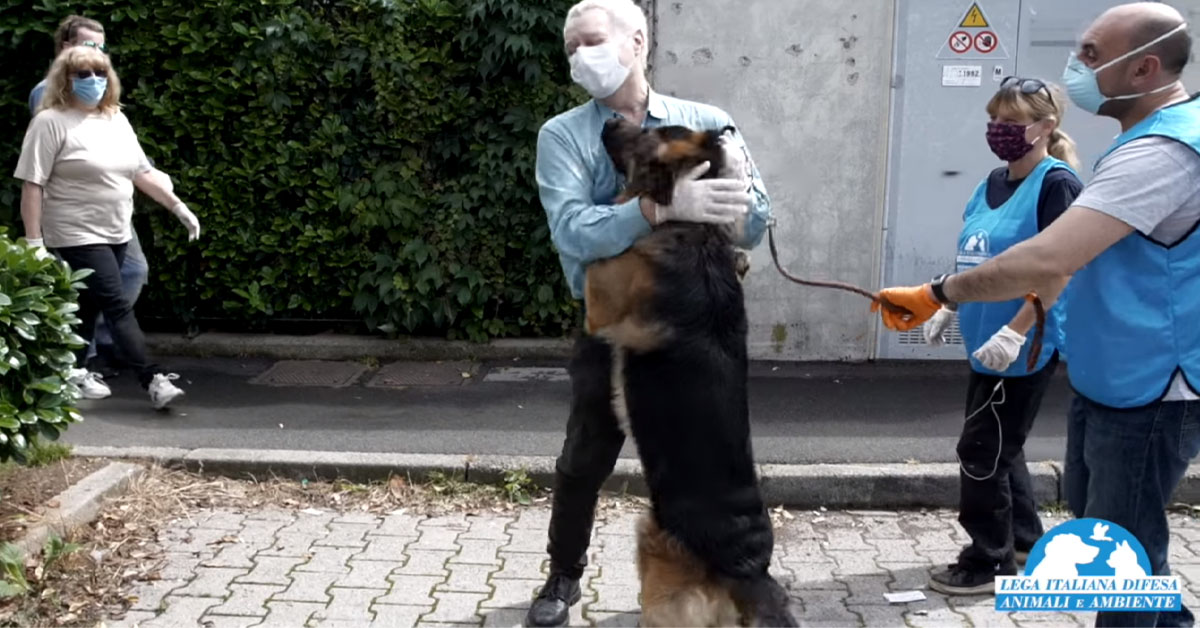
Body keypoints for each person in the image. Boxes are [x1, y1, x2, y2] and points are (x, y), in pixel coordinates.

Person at [872, 3, 1198, 626]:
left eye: (1092, 54)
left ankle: (1001, 556)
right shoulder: (1141, 143)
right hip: (1115, 377)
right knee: (1117, 540)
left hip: (1150, 383)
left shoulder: (1161, 150)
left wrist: (939, 294)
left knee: (1117, 560)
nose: (1075, 66)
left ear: (1145, 67)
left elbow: (1051, 258)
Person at [527, 0, 772, 625]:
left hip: (694, 328)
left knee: (715, 450)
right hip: (615, 321)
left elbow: (753, 228)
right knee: (586, 454)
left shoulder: (706, 121)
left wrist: (743, 196)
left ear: (637, 40)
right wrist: (657, 209)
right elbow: (573, 233)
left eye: (593, 41)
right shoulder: (563, 135)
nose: (582, 56)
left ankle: (738, 573)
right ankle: (563, 574)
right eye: (572, 48)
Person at [922, 76, 1083, 595]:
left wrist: (1015, 334)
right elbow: (976, 256)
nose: (999, 131)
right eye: (996, 120)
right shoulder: (990, 181)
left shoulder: (1056, 184)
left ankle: (987, 561)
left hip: (1023, 346)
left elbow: (1061, 270)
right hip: (984, 341)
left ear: (1046, 127)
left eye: (1012, 123)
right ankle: (1022, 541)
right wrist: (949, 301)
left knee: (980, 449)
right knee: (1001, 448)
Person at [14, 44, 199, 410]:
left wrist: (178, 207)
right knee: (116, 304)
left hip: (115, 229)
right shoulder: (49, 122)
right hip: (75, 231)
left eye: (99, 73)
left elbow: (141, 172)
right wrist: (34, 239)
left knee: (87, 305)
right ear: (65, 80)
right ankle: (153, 378)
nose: (93, 81)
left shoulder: (116, 119)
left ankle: (75, 371)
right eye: (83, 74)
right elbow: (32, 184)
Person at [29, 15, 165, 387]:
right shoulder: (49, 95)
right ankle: (139, 370)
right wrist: (35, 239)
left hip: (113, 214)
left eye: (100, 48)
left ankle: (88, 354)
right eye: (87, 45)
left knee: (118, 281)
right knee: (104, 292)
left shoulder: (108, 103)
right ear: (65, 47)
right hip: (77, 218)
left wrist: (154, 179)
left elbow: (122, 148)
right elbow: (51, 162)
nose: (95, 57)